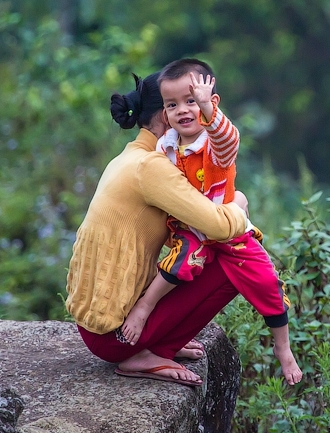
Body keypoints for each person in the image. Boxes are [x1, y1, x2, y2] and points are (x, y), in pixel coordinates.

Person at [65, 70, 302, 387]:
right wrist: (239, 202)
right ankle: (148, 352)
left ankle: (163, 340)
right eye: (179, 104)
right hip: (114, 337)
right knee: (234, 257)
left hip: (96, 325)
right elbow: (219, 226)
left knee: (199, 247)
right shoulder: (153, 168)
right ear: (167, 114)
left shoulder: (129, 157)